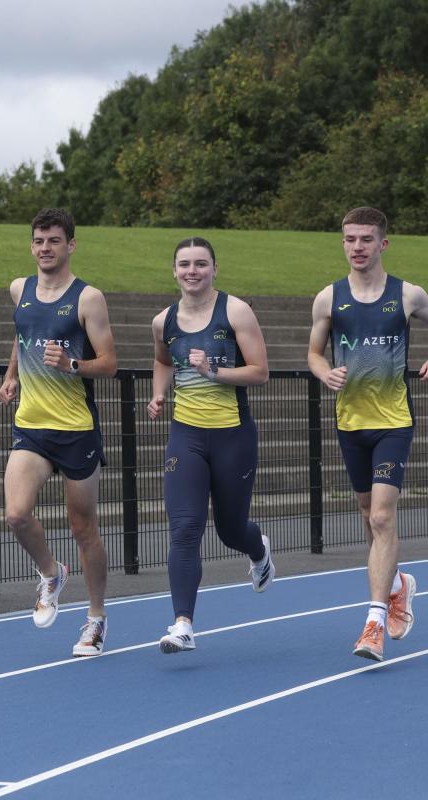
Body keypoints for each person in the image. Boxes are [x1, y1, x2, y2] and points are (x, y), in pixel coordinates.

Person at [307, 207, 428, 662]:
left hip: (393, 421)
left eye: (366, 239)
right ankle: (400, 581)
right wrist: (324, 370)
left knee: (383, 518)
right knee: (369, 517)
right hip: (350, 423)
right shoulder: (328, 298)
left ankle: (374, 623)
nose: (357, 247)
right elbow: (313, 351)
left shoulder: (406, 295)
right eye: (350, 239)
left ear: (382, 244)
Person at [0, 207, 118, 657]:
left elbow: (109, 362)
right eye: (38, 241)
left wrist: (72, 365)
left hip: (75, 429)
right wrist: (11, 374)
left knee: (83, 527)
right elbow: (22, 333)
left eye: (53, 241)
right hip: (31, 425)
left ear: (70, 245)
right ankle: (51, 572)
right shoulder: (20, 289)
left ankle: (96, 619)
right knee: (16, 515)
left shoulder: (88, 299)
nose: (44, 248)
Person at [147, 237, 274, 654]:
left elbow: (260, 372)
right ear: (174, 271)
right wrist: (159, 394)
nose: (192, 271)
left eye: (201, 264)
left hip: (232, 434)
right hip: (186, 435)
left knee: (230, 529)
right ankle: (183, 624)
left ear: (214, 269)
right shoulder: (163, 320)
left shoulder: (235, 311)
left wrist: (214, 369)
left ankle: (258, 552)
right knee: (185, 529)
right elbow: (164, 361)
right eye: (184, 264)